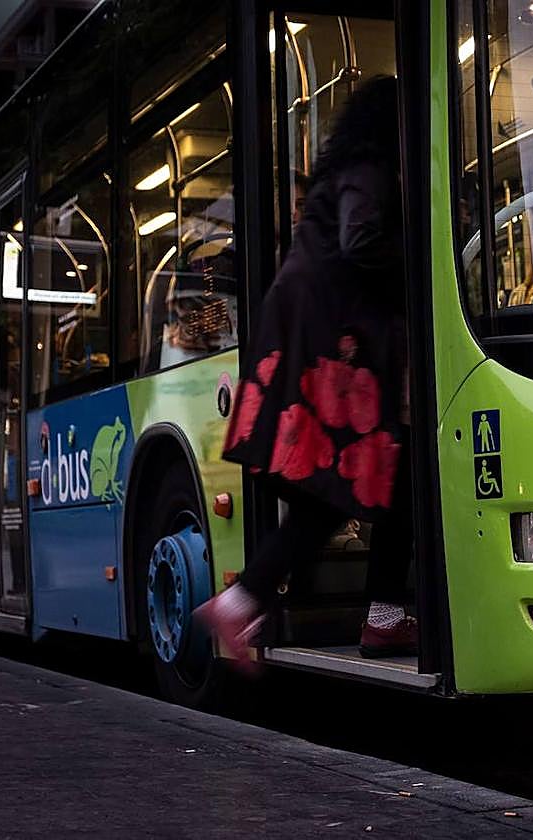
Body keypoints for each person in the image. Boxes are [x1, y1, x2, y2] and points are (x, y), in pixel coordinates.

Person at [195, 77, 414, 670]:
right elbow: (363, 237)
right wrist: (419, 264)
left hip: (312, 338)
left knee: (352, 484)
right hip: (330, 348)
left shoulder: (344, 170)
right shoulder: (370, 171)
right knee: (367, 476)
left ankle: (365, 614)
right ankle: (377, 614)